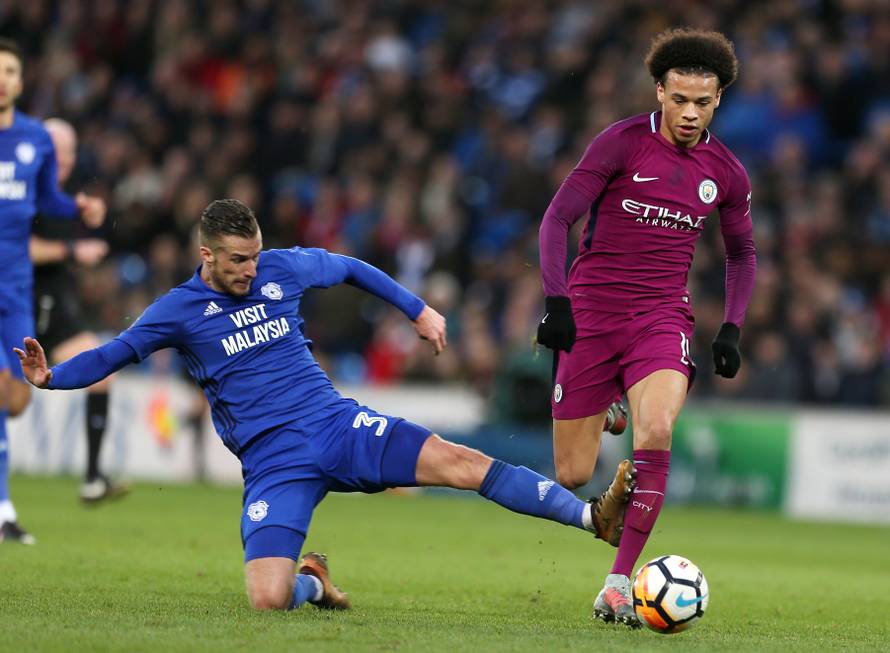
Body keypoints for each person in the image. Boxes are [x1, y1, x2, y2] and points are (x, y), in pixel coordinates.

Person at [15, 198, 632, 611]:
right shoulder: (177, 310)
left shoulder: (282, 268)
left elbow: (350, 267)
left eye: (255, 255)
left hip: (337, 425)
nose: (251, 269)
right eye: (238, 260)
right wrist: (52, 378)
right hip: (273, 463)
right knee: (267, 599)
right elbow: (116, 353)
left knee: (461, 462)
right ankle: (313, 582)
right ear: (207, 256)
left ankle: (590, 518)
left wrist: (417, 309)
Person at [535, 28, 756, 627]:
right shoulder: (620, 143)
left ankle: (616, 583)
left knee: (656, 428)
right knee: (573, 473)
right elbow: (556, 220)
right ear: (660, 91)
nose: (690, 113)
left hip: (661, 316)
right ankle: (612, 401)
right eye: (679, 99)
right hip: (592, 314)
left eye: (702, 102)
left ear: (718, 100)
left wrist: (731, 327)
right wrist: (557, 302)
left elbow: (742, 253)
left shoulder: (726, 172)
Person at [0, 39, 106, 544]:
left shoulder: (36, 139)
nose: (2, 79)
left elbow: (48, 200)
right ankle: (4, 510)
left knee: (17, 398)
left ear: (22, 81)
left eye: (10, 71)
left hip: (15, 290)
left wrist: (79, 208)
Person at [11, 118, 127, 504]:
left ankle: (93, 477)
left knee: (101, 370)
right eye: (55, 150)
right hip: (14, 303)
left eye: (69, 152)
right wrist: (74, 251)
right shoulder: (17, 191)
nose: (62, 159)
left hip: (52, 306)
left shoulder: (60, 199)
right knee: (14, 402)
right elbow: (20, 249)